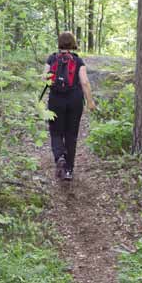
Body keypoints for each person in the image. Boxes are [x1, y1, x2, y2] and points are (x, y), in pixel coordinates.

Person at [43, 31, 96, 181]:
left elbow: (44, 77)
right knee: (71, 135)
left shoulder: (52, 58)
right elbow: (85, 82)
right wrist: (90, 102)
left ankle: (59, 156)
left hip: (55, 100)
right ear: (73, 43)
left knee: (55, 132)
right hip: (74, 100)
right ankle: (68, 171)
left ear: (59, 43)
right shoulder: (78, 61)